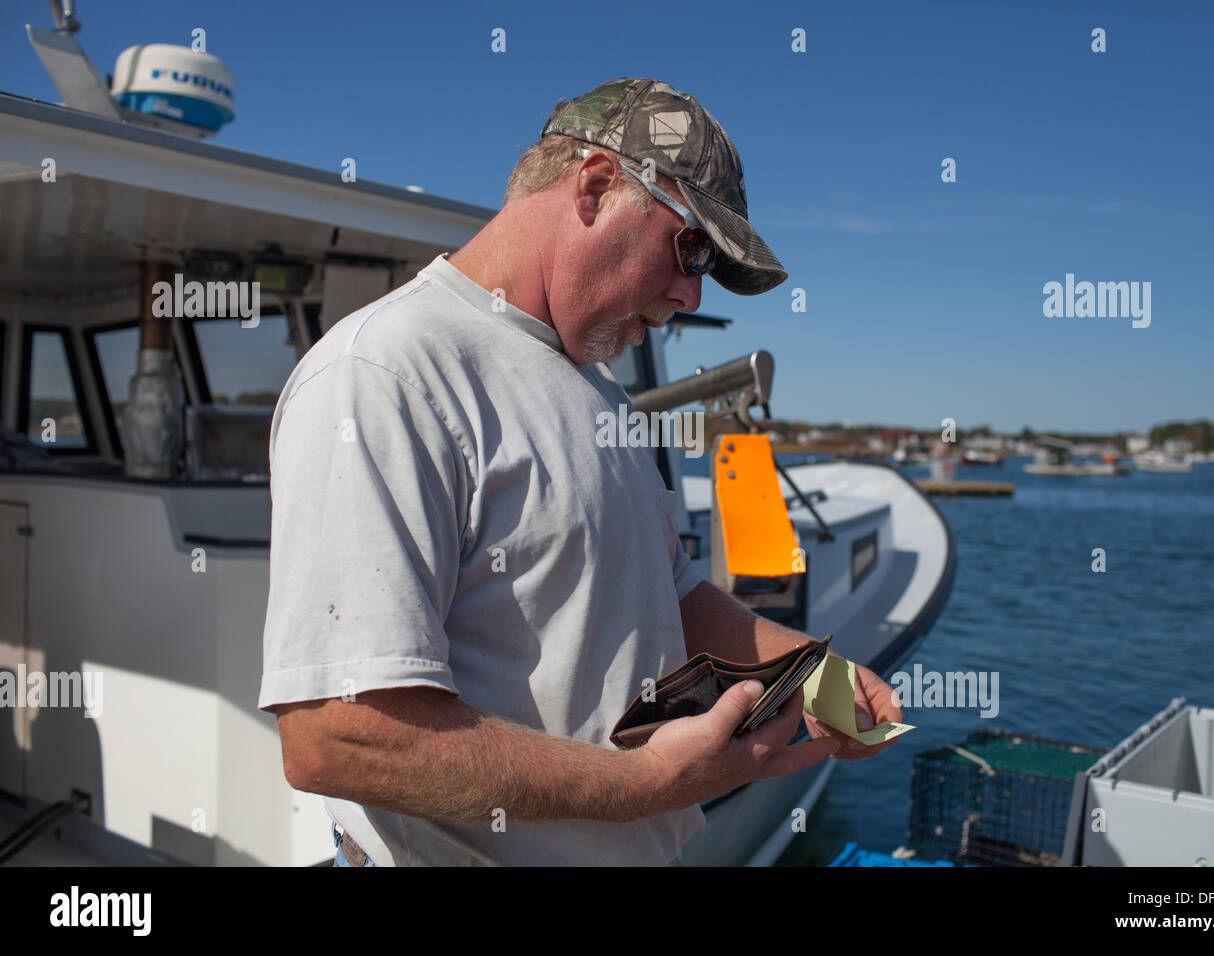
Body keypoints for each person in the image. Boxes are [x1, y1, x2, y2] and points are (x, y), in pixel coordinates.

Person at [258, 78, 903, 866]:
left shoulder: (596, 389)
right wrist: (646, 784)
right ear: (595, 188)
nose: (692, 294)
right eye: (691, 247)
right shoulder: (386, 374)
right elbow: (339, 736)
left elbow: (668, 592)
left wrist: (814, 676)